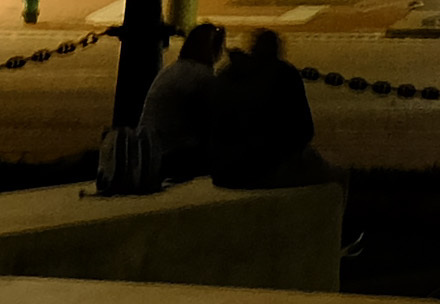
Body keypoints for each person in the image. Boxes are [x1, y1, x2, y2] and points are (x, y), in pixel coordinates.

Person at [204, 29, 324, 189]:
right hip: (264, 168)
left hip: (223, 169)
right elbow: (304, 130)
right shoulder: (283, 74)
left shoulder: (227, 74)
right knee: (322, 170)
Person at [138, 22, 225, 184]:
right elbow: (214, 117)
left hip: (152, 148)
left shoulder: (175, 69)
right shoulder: (200, 75)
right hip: (173, 153)